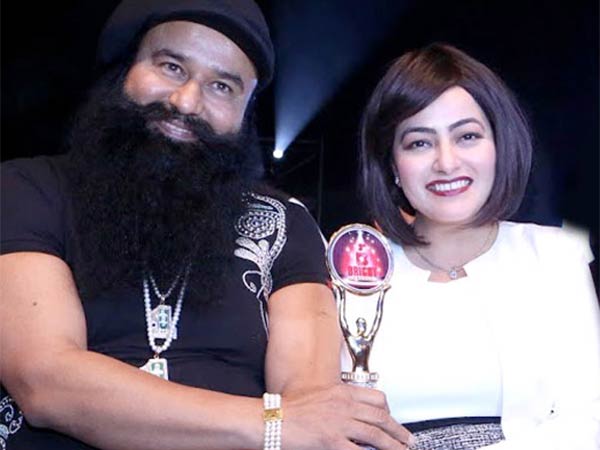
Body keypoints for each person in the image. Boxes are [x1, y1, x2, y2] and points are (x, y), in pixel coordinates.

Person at [0, 1, 413, 449]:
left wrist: (291, 422)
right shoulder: (29, 189)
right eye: (171, 67)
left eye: (222, 87)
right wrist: (272, 422)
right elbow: (45, 381)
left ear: (245, 112)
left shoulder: (280, 223)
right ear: (124, 70)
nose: (186, 102)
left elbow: (311, 405)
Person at [356, 43, 600, 449]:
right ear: (392, 165)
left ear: (499, 145)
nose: (447, 162)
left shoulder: (555, 256)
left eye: (467, 136)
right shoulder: (355, 271)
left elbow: (588, 420)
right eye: (419, 143)